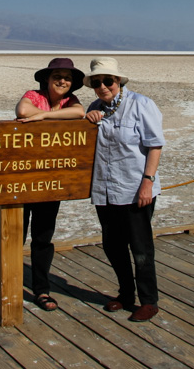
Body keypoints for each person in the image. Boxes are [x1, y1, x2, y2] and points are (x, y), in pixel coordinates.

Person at [84, 57, 164, 322]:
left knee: (140, 247)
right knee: (113, 245)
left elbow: (154, 145)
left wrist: (147, 183)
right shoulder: (95, 108)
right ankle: (125, 294)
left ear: (118, 81)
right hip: (105, 190)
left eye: (108, 80)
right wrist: (88, 119)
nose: (103, 86)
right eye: (97, 82)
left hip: (134, 188)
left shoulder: (141, 104)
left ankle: (149, 300)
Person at [15, 57, 86, 311]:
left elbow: (79, 114)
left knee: (43, 238)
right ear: (47, 78)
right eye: (57, 76)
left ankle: (41, 290)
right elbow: (22, 111)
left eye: (67, 78)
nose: (62, 81)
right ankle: (9, 285)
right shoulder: (33, 95)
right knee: (15, 235)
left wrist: (43, 116)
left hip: (50, 180)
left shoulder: (71, 102)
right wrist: (55, 117)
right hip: (21, 178)